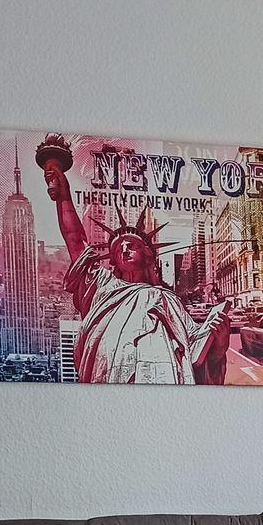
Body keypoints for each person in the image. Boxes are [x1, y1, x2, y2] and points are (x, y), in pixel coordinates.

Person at [34, 134, 218, 384]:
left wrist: (220, 339)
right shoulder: (103, 287)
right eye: (118, 248)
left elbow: (197, 351)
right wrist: (64, 195)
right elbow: (75, 240)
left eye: (132, 245)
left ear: (149, 256)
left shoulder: (168, 300)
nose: (124, 250)